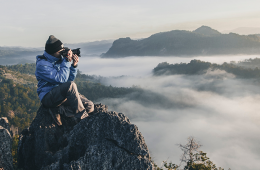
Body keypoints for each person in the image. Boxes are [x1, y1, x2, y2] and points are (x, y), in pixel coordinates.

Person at [35, 35, 94, 125]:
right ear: (53, 52)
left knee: (90, 106)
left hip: (61, 95)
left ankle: (60, 110)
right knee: (71, 85)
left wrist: (73, 66)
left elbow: (67, 80)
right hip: (48, 97)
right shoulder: (42, 65)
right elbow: (61, 80)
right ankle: (83, 120)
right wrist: (66, 61)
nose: (62, 53)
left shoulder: (59, 60)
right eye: (60, 51)